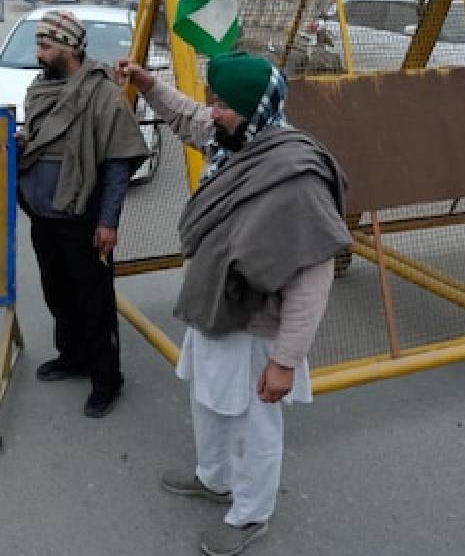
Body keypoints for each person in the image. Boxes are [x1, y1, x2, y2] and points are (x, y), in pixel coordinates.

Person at [116, 52, 350, 556]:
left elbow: (313, 280)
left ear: (254, 106)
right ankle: (214, 478)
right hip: (214, 310)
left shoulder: (296, 178)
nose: (210, 110)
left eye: (221, 103)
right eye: (212, 98)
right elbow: (184, 116)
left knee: (253, 425)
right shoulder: (236, 140)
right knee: (209, 403)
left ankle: (250, 514)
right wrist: (147, 83)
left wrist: (285, 361)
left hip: (258, 327)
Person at [19, 10, 149, 418]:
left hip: (83, 219)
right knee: (58, 295)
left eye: (46, 45)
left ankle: (107, 380)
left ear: (69, 49)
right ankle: (72, 357)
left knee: (94, 303)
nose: (38, 53)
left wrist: (108, 222)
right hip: (44, 217)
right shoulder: (41, 89)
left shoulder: (103, 95)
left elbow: (116, 165)